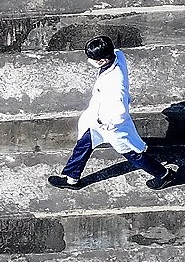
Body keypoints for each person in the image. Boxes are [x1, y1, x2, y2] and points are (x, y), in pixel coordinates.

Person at [51, 36, 178, 190]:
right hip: (96, 119)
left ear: (103, 60)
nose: (90, 61)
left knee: (133, 154)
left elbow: (119, 112)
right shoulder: (117, 55)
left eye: (92, 58)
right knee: (83, 146)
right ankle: (72, 179)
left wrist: (104, 124)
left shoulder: (115, 83)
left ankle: (165, 175)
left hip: (112, 127)